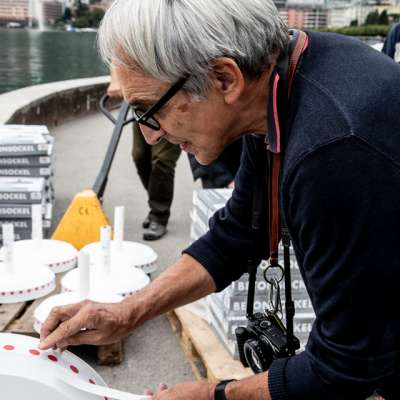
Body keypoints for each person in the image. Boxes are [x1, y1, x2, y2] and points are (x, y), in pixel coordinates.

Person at [40, 1, 400, 399]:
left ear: (224, 79)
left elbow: (344, 369)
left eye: (148, 111)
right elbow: (239, 231)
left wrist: (213, 394)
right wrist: (127, 312)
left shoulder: (334, 151)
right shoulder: (281, 81)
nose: (150, 135)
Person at [107, 67, 181, 240]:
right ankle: (157, 203)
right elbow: (117, 53)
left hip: (172, 99)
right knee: (139, 156)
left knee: (162, 160)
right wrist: (116, 80)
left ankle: (159, 215)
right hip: (143, 102)